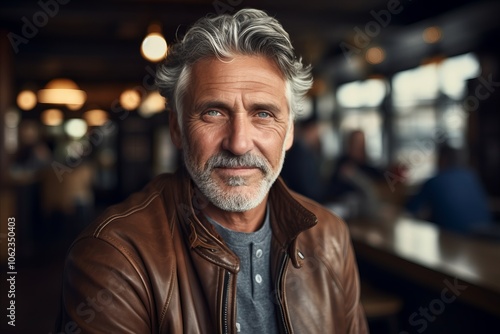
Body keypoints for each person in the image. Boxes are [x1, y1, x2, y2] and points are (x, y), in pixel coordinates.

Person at [56, 9, 367, 333]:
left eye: (262, 114)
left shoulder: (330, 236)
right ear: (177, 129)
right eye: (214, 112)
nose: (239, 143)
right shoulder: (116, 256)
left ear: (288, 132)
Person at [406, 143, 492, 234]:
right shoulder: (471, 176)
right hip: (486, 236)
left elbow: (410, 209)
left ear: (443, 159)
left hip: (455, 239)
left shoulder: (434, 181)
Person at [325, 130, 384, 219]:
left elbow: (376, 184)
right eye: (356, 141)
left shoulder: (369, 166)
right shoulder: (341, 163)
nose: (359, 145)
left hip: (364, 205)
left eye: (361, 141)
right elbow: (332, 188)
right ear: (350, 143)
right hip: (343, 203)